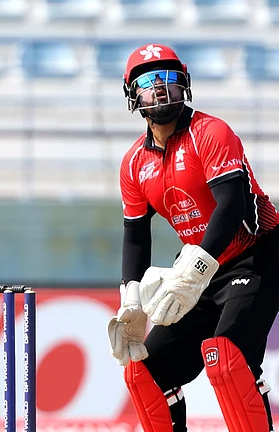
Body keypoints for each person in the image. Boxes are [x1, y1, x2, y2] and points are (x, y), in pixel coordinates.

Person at [107, 43, 279, 431]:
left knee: (227, 357)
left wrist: (195, 269)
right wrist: (130, 299)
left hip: (257, 254)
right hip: (202, 269)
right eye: (149, 83)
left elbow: (232, 205)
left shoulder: (210, 132)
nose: (161, 90)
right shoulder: (134, 162)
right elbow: (135, 235)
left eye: (168, 78)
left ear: (183, 82)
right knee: (143, 374)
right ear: (133, 95)